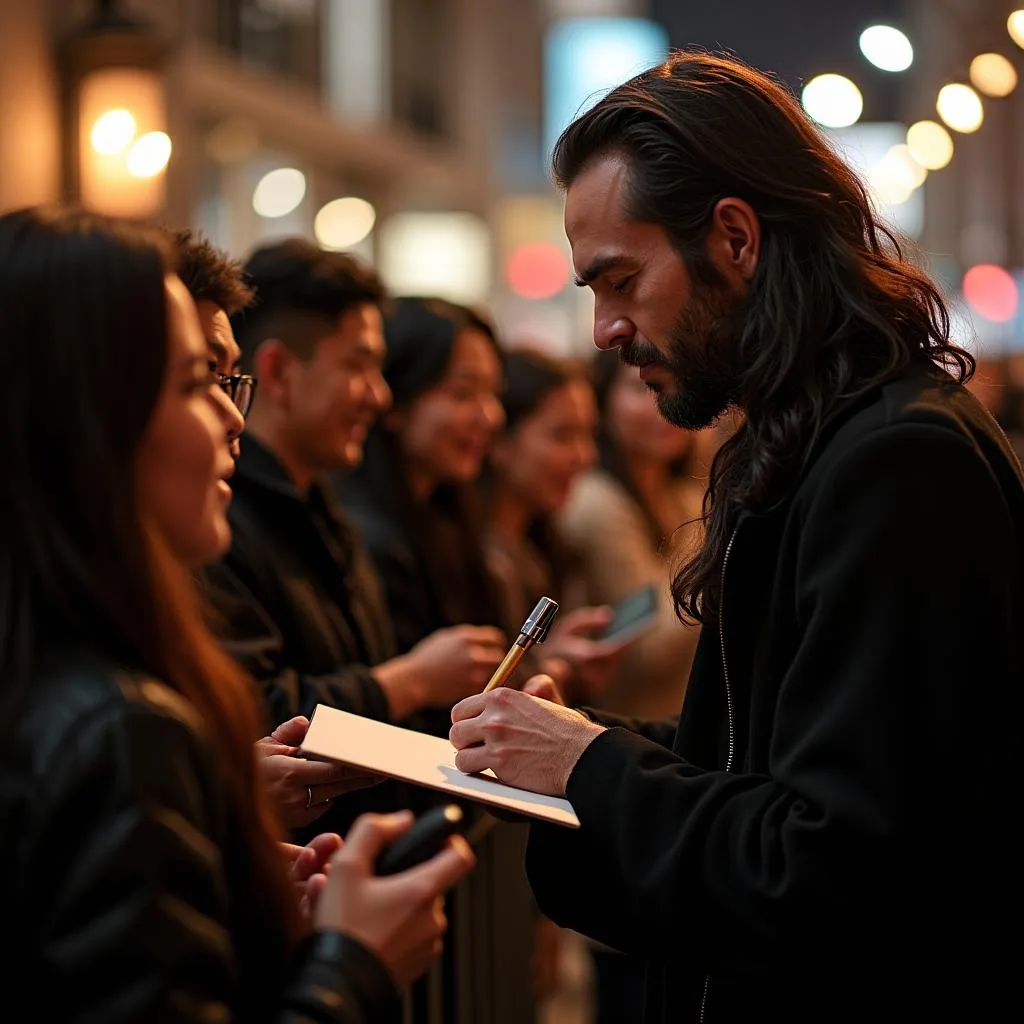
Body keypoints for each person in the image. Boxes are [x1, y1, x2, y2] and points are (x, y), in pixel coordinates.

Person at [448, 51, 1024, 1023]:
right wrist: (574, 744)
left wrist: (587, 769)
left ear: (734, 239)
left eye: (620, 279)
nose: (603, 329)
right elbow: (769, 749)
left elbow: (839, 873)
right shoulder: (823, 442)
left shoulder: (896, 463)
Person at [0, 206, 475, 1023]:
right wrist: (352, 966)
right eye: (194, 384)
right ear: (87, 418)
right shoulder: (119, 726)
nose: (231, 420)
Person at [204, 240, 505, 774]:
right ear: (276, 373)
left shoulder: (322, 507)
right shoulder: (218, 518)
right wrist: (412, 680)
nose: (380, 396)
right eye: (358, 366)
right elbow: (252, 715)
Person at [173, 228, 377, 829]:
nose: (233, 417)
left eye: (226, 381)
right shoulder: (219, 525)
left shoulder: (323, 509)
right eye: (197, 379)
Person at [559, 352, 703, 722]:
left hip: (674, 721)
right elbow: (649, 648)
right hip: (617, 723)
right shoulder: (596, 502)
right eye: (644, 387)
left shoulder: (683, 497)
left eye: (676, 385)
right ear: (603, 400)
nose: (665, 401)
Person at [487, 347, 630, 705]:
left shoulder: (542, 547)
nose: (585, 456)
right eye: (562, 435)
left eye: (588, 435)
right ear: (501, 440)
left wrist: (555, 660)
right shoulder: (469, 556)